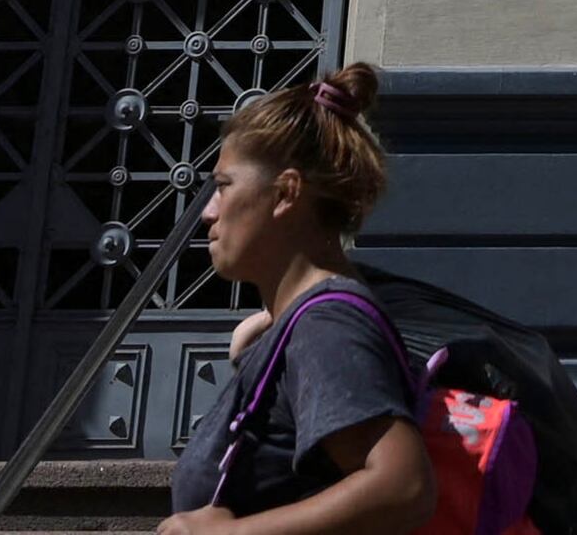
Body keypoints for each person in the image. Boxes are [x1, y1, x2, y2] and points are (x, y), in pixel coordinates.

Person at [163, 65, 438, 535]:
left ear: (286, 193)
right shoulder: (309, 327)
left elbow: (403, 485)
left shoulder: (327, 325)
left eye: (223, 186)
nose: (208, 212)